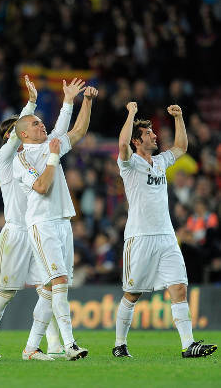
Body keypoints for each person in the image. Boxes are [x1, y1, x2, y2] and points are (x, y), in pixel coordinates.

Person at [0, 76, 86, 359]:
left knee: (47, 288)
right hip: (16, 231)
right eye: (14, 133)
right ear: (11, 137)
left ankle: (46, 346)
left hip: (39, 226)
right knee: (6, 292)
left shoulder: (38, 150)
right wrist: (32, 102)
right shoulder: (6, 159)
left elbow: (61, 131)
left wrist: (66, 103)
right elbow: (20, 132)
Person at [113, 102, 217, 358]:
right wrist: (131, 114)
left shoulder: (160, 162)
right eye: (149, 133)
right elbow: (122, 143)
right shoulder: (129, 164)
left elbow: (181, 147)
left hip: (167, 237)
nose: (154, 135)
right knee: (132, 293)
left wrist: (179, 117)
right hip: (139, 237)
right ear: (138, 141)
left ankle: (188, 345)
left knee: (179, 287)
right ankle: (119, 345)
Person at [13, 85, 98, 361]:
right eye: (36, 123)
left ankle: (30, 348)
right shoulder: (22, 158)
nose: (42, 125)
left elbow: (78, 131)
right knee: (58, 280)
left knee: (51, 289)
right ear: (24, 133)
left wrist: (83, 101)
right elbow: (41, 186)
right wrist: (52, 154)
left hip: (62, 221)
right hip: (42, 223)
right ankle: (70, 343)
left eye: (41, 121)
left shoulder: (50, 145)